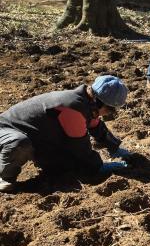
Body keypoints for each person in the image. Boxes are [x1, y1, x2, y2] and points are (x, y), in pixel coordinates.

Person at [0, 75, 130, 193]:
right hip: (6, 131)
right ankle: (5, 177)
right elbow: (81, 150)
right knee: (19, 144)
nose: (110, 113)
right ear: (98, 102)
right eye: (111, 109)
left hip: (35, 135)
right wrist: (100, 166)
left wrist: (115, 147)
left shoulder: (86, 103)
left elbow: (97, 128)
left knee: (65, 165)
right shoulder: (73, 108)